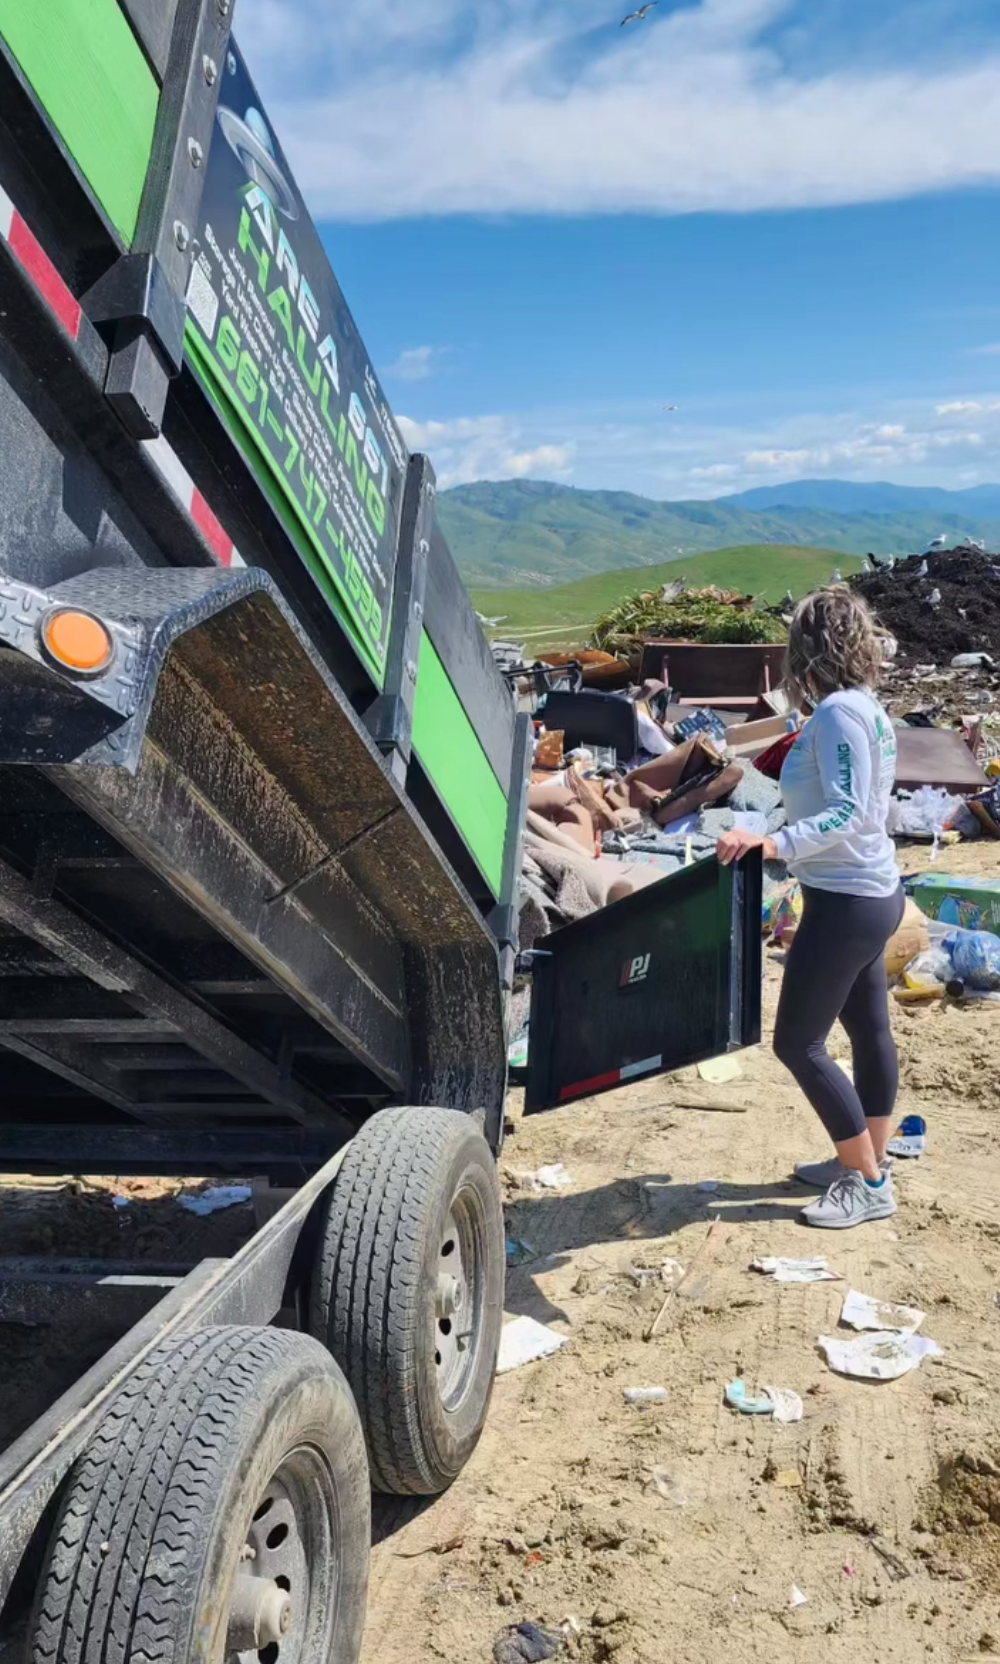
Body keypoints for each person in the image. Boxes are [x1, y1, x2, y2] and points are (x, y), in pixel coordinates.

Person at [716, 587, 903, 1229]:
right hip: (867, 892)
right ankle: (865, 1157)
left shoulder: (837, 715)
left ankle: (869, 1182)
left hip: (848, 901)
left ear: (808, 651)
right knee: (868, 1032)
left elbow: (849, 811)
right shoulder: (865, 708)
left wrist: (773, 841)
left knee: (798, 1043)